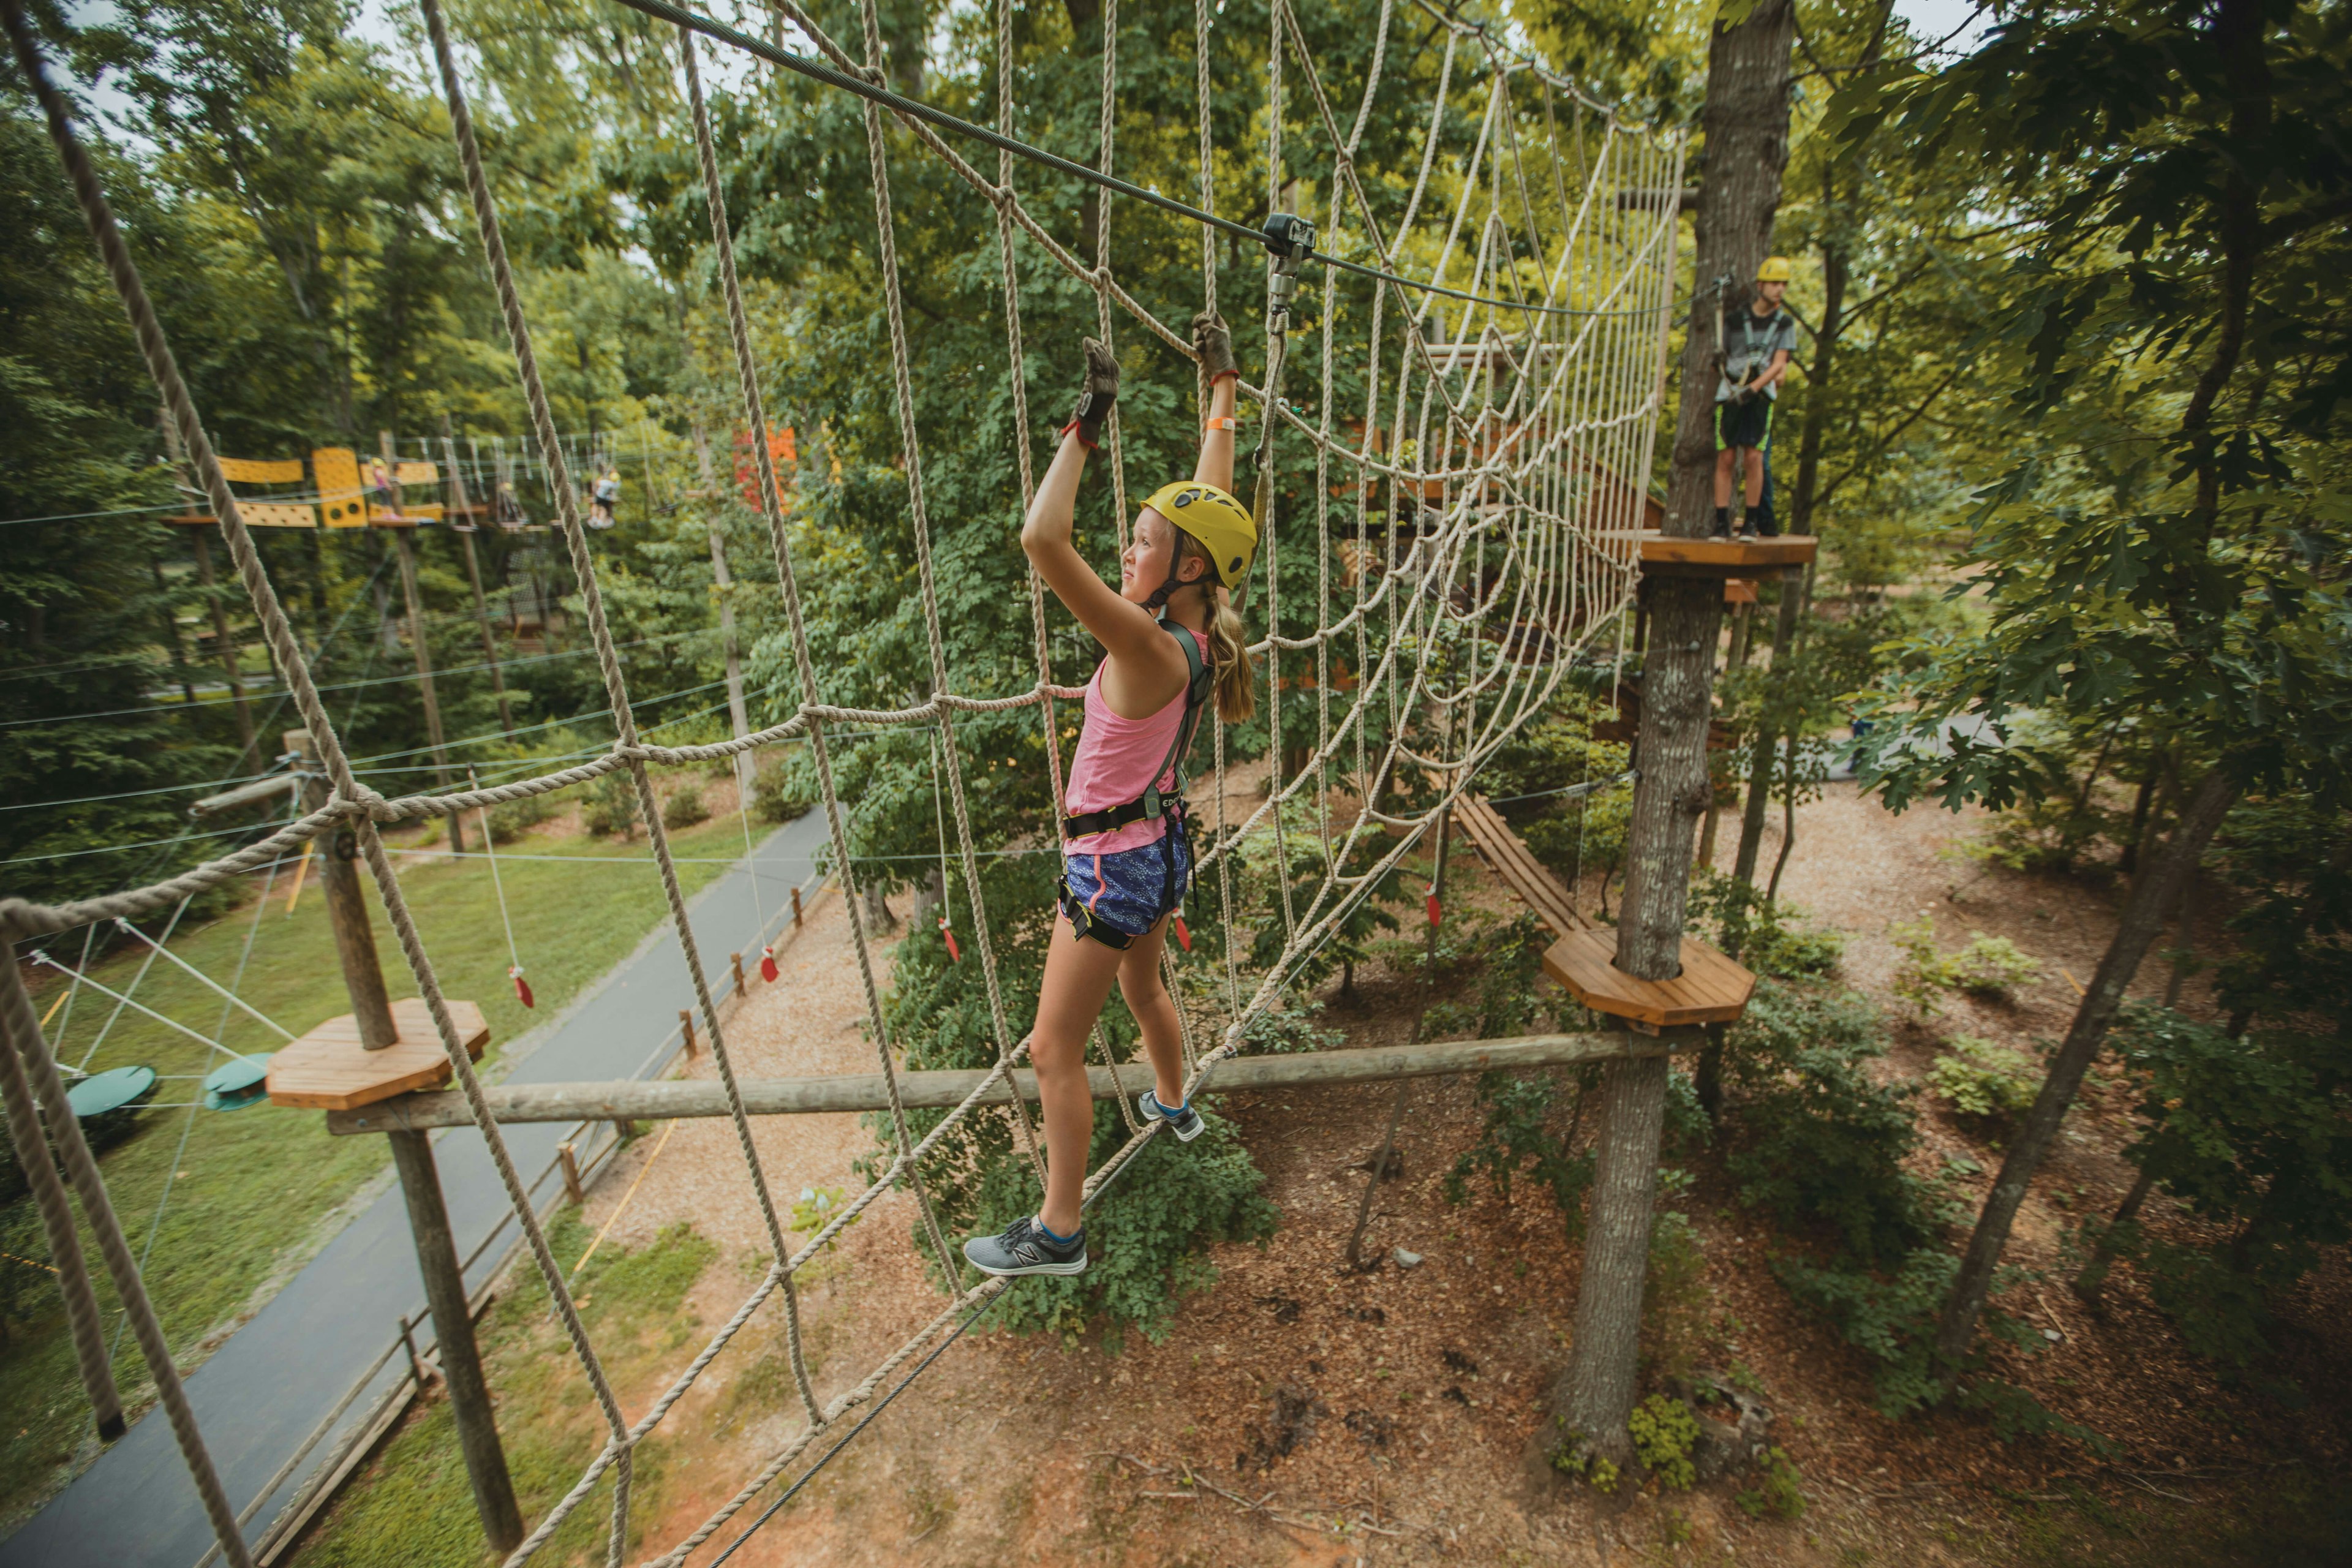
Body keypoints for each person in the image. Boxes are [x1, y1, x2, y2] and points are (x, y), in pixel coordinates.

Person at [961, 314, 1257, 1279]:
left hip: (1111, 863)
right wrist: (1222, 389)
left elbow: (1042, 537)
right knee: (1143, 986)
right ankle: (1172, 1101)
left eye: (1139, 547)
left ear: (1187, 571)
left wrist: (1086, 424)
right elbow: (1212, 500)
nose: (1126, 557)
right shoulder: (1196, 631)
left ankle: (1059, 1232)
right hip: (1158, 844)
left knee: (1053, 1049)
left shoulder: (1142, 645)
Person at [1712, 256, 1797, 539]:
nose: (1779, 289)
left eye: (1783, 284)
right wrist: (1720, 361)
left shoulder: (1784, 323)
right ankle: (1721, 521)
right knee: (1725, 457)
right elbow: (1722, 350)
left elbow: (1779, 364)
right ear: (1760, 284)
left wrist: (1754, 389)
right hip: (1731, 391)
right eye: (1774, 283)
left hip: (1759, 395)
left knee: (1754, 458)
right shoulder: (1736, 320)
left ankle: (1750, 521)